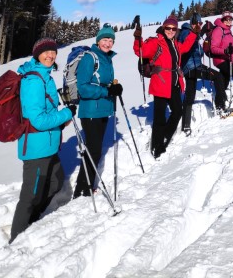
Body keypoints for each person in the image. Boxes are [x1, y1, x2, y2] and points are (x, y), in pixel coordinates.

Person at [10, 38, 74, 244]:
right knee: (30, 196)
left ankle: (34, 219)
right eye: (45, 52)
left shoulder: (46, 77)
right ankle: (17, 238)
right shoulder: (33, 81)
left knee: (55, 181)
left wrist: (60, 119)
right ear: (37, 54)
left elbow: (46, 111)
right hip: (36, 147)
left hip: (49, 145)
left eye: (53, 52)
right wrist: (65, 115)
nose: (50, 55)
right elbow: (37, 119)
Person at [133, 15, 201, 158]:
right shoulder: (156, 42)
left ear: (176, 30)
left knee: (177, 112)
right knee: (159, 118)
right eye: (168, 28)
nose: (170, 30)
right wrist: (137, 37)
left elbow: (186, 46)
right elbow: (141, 52)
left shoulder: (176, 43)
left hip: (175, 83)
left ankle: (164, 136)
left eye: (173, 28)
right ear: (163, 28)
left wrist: (194, 33)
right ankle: (156, 148)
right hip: (161, 83)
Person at [73, 24, 122, 198]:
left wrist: (115, 88)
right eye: (105, 39)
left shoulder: (107, 58)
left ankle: (85, 186)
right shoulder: (89, 58)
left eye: (111, 40)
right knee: (92, 150)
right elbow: (83, 88)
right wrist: (107, 91)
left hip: (102, 110)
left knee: (95, 150)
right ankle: (82, 190)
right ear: (98, 40)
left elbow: (104, 82)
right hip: (90, 112)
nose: (108, 43)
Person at [177, 13, 227, 134]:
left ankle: (186, 125)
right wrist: (195, 34)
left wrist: (204, 37)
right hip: (192, 66)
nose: (198, 25)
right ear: (191, 23)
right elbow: (185, 47)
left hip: (191, 68)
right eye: (196, 23)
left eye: (200, 23)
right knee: (218, 76)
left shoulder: (192, 33)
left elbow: (198, 50)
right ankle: (221, 107)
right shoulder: (186, 32)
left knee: (190, 95)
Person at [210, 11, 233, 106]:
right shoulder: (218, 30)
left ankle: (220, 102)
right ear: (222, 20)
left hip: (227, 59)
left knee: (224, 80)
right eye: (226, 19)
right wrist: (225, 52)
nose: (228, 21)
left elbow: (230, 48)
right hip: (220, 60)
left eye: (230, 19)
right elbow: (213, 48)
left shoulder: (228, 30)